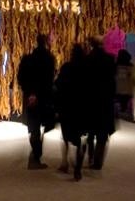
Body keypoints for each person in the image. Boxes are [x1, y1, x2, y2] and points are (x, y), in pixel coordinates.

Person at [17, 33, 56, 170]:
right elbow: (51, 78)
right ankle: (37, 155)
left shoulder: (27, 59)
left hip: (31, 97)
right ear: (45, 43)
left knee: (33, 127)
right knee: (46, 124)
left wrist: (28, 91)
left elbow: (20, 78)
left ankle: (36, 154)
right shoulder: (49, 58)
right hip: (45, 96)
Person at [55, 43, 88, 179]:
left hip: (68, 108)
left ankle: (65, 163)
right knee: (83, 139)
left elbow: (58, 85)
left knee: (66, 137)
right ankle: (78, 168)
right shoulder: (88, 70)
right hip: (83, 108)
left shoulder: (66, 68)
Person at [84, 36, 116, 171]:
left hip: (91, 100)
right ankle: (98, 161)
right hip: (105, 100)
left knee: (90, 132)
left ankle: (91, 156)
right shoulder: (110, 60)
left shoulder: (87, 60)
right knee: (102, 134)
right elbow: (113, 80)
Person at [114, 49, 134, 118]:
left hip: (118, 86)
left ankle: (120, 110)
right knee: (125, 99)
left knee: (120, 98)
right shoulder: (131, 65)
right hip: (127, 87)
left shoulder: (116, 65)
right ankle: (123, 110)